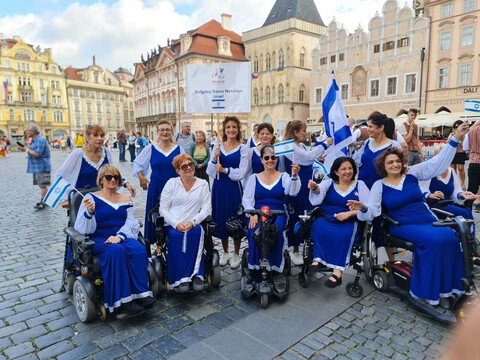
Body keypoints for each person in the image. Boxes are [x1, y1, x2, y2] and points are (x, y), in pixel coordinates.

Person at [351, 122, 469, 308]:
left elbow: (436, 163)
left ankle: (448, 289)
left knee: (451, 237)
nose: (395, 164)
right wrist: (362, 208)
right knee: (434, 242)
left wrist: (455, 139)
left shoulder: (412, 173)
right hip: (401, 224)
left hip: (426, 219)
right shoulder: (379, 185)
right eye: (390, 162)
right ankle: (426, 292)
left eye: (397, 161)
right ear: (383, 166)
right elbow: (373, 211)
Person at [74, 164, 154, 319]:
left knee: (138, 249)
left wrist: (120, 236)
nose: (112, 180)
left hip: (121, 235)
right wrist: (89, 213)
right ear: (101, 180)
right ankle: (121, 302)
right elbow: (81, 228)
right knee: (116, 252)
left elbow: (132, 222)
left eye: (115, 177)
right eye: (108, 177)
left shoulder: (125, 199)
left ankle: (141, 294)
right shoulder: (90, 199)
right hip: (99, 238)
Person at [242, 146, 300, 288]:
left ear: (276, 159)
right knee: (253, 232)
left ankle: (275, 268)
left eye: (273, 157)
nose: (270, 160)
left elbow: (292, 192)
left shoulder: (284, 176)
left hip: (278, 212)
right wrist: (252, 213)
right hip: (257, 212)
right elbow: (247, 199)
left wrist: (294, 176)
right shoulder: (254, 178)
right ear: (261, 160)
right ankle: (254, 268)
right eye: (266, 157)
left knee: (276, 231)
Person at [308, 157, 369, 287]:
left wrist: (351, 213)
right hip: (327, 218)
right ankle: (317, 259)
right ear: (336, 172)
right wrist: (315, 188)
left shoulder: (360, 185)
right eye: (343, 169)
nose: (348, 171)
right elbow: (319, 191)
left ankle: (337, 272)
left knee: (343, 235)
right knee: (318, 227)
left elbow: (368, 208)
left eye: (350, 168)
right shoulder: (329, 183)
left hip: (350, 220)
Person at [282, 120, 332, 266]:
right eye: (303, 130)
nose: (306, 133)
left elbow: (309, 158)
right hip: (296, 185)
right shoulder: (290, 145)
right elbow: (307, 157)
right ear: (295, 132)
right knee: (296, 215)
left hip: (306, 186)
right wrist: (324, 144)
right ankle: (295, 249)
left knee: (307, 214)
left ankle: (306, 244)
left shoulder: (301, 145)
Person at [160, 154, 212, 292]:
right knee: (177, 236)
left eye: (191, 165)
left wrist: (193, 222)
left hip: (193, 222)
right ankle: (180, 278)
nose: (189, 168)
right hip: (173, 224)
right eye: (184, 166)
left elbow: (207, 208)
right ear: (178, 171)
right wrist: (175, 223)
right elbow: (163, 209)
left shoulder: (203, 184)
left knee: (196, 233)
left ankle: (197, 275)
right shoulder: (171, 183)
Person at [54, 125, 136, 206]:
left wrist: (126, 183)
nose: (100, 138)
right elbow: (61, 175)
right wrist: (65, 199)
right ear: (87, 137)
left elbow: (112, 173)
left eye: (102, 135)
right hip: (83, 200)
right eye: (95, 135)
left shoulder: (106, 153)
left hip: (103, 199)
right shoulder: (78, 153)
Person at [207, 116, 248, 269]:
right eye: (228, 127)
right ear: (224, 130)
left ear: (238, 130)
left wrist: (225, 170)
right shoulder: (218, 147)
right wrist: (214, 159)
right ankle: (225, 251)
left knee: (235, 219)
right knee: (221, 218)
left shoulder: (243, 149)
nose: (231, 130)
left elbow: (242, 172)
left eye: (234, 127)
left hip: (233, 188)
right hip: (219, 187)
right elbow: (210, 172)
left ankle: (236, 253)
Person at [134, 120, 184, 243]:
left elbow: (186, 167)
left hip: (175, 190)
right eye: (162, 130)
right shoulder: (151, 148)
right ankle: (157, 248)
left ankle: (172, 244)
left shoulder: (179, 149)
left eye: (167, 129)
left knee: (174, 218)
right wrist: (141, 178)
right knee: (156, 219)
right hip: (156, 188)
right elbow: (138, 164)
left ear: (172, 132)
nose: (165, 132)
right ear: (157, 132)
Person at [420, 145, 475, 230]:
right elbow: (422, 190)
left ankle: (467, 239)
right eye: (442, 155)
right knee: (464, 213)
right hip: (435, 205)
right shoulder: (430, 171)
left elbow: (456, 191)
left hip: (448, 204)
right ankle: (467, 239)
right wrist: (430, 194)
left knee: (467, 211)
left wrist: (461, 194)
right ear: (436, 156)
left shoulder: (451, 171)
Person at [18, 124, 51, 210]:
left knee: (43, 185)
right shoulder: (34, 140)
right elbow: (31, 151)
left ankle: (43, 202)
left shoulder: (40, 140)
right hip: (37, 166)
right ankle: (45, 200)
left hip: (42, 166)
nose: (26, 132)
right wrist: (25, 149)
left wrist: (26, 149)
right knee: (41, 185)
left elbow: (37, 154)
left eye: (27, 131)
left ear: (32, 131)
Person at [463, 120, 480, 211]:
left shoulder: (471, 130)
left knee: (472, 188)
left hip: (473, 162)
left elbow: (465, 147)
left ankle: (467, 209)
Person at [450, 120, 467, 191]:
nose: (457, 128)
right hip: (453, 152)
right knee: (453, 169)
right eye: (456, 126)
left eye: (458, 126)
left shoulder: (464, 134)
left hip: (460, 152)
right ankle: (454, 183)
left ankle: (462, 183)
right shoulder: (452, 134)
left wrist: (461, 140)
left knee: (461, 168)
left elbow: (465, 144)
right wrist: (453, 137)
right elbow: (447, 142)